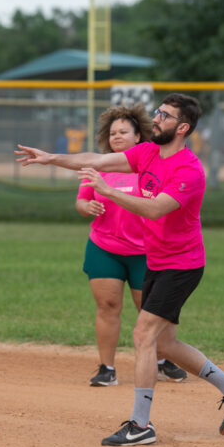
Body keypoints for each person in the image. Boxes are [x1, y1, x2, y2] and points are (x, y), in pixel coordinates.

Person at [16, 93, 224, 446]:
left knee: (144, 335)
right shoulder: (148, 153)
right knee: (165, 343)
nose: (156, 118)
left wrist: (107, 191)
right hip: (158, 260)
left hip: (181, 264)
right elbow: (96, 160)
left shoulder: (188, 170)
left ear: (182, 128)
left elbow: (155, 209)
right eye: (158, 112)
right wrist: (52, 158)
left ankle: (140, 424)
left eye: (165, 115)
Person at [77, 105, 187, 387]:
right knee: (108, 306)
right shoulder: (99, 166)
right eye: (112, 132)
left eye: (123, 131)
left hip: (145, 251)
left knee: (149, 312)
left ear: (138, 136)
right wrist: (86, 206)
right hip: (104, 248)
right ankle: (106, 368)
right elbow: (81, 200)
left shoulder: (152, 165)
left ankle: (161, 361)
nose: (116, 136)